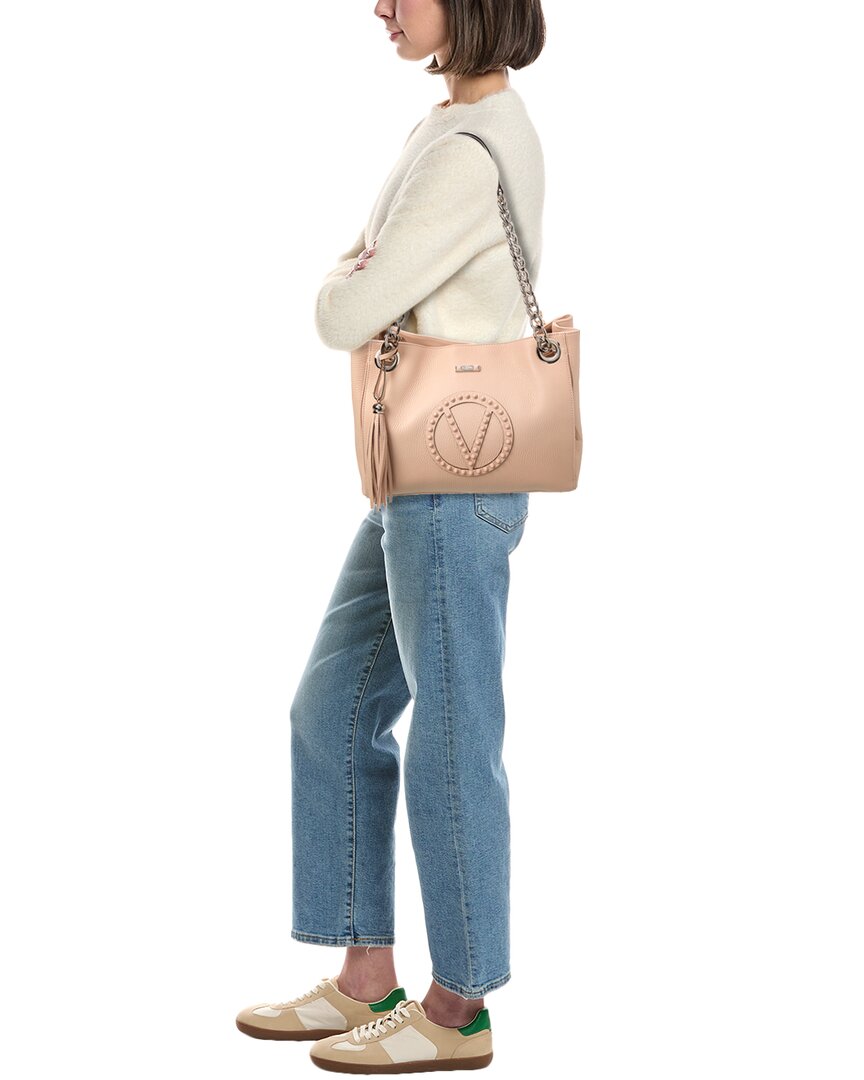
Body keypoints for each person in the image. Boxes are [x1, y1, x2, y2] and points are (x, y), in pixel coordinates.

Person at [236, 1, 548, 1070]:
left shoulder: (466, 150)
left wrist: (350, 280)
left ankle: (459, 1012)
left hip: (454, 481)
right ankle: (367, 979)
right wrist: (363, 279)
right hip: (417, 475)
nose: (379, 4)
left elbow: (341, 312)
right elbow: (366, 286)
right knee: (332, 705)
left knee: (453, 735)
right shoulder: (447, 126)